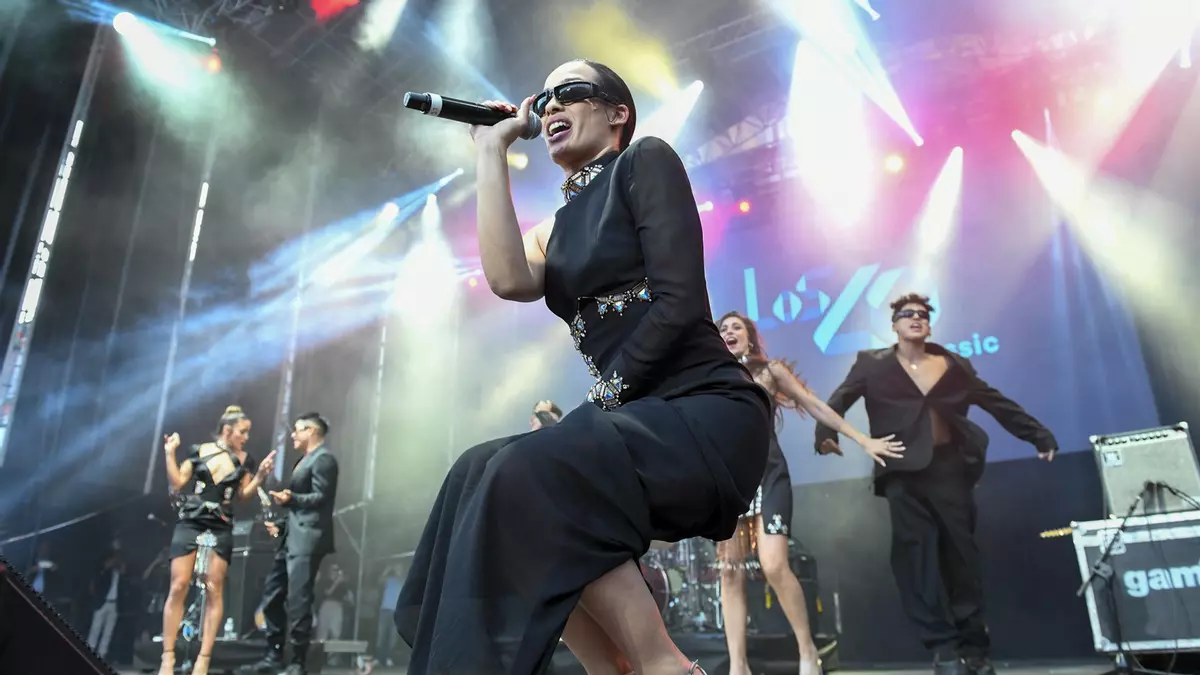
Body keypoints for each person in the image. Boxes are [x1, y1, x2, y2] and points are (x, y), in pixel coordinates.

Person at [394, 60, 773, 675]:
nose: (549, 107)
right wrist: (491, 150)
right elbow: (507, 278)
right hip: (635, 416)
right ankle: (613, 667)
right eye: (543, 98)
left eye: (568, 93)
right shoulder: (554, 230)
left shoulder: (644, 160)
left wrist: (605, 396)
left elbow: (679, 303)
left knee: (525, 471)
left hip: (703, 409)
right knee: (476, 471)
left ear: (617, 113)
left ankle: (663, 664)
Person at [814, 293, 1059, 675]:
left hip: (949, 469)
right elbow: (839, 399)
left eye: (923, 314)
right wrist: (825, 433)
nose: (916, 318)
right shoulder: (871, 363)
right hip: (901, 470)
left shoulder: (952, 364)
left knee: (962, 560)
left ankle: (975, 650)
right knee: (915, 560)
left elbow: (996, 402)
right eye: (907, 314)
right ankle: (943, 647)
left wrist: (1038, 435)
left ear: (929, 325)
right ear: (894, 325)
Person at [715, 312, 902, 675]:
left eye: (737, 327)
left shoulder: (770, 372)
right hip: (729, 483)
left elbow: (814, 404)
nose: (729, 332)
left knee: (773, 564)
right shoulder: (709, 376)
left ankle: (807, 650)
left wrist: (861, 439)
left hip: (769, 476)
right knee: (730, 571)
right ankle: (739, 666)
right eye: (723, 328)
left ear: (750, 338)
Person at [159, 405, 277, 675]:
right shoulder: (199, 450)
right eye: (242, 432)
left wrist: (260, 476)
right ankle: (168, 657)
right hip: (192, 519)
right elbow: (177, 482)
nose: (246, 437)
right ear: (227, 430)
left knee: (214, 588)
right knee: (178, 585)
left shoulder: (244, 459)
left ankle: (204, 659)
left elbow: (243, 496)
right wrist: (169, 452)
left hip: (221, 523)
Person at [242, 412, 339, 675]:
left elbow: (321, 497)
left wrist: (291, 498)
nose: (293, 435)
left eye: (297, 430)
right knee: (272, 595)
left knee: (299, 599)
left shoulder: (324, 459)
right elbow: (301, 508)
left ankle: (298, 662)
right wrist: (282, 524)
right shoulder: (303, 460)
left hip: (308, 539)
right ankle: (273, 655)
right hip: (291, 539)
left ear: (312, 431)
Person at [87, 536, 128, 661]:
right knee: (96, 628)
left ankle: (102, 654)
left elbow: (124, 570)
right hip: (102, 601)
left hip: (114, 604)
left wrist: (119, 561)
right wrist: (112, 560)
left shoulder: (119, 570)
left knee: (108, 631)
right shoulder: (104, 566)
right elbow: (100, 573)